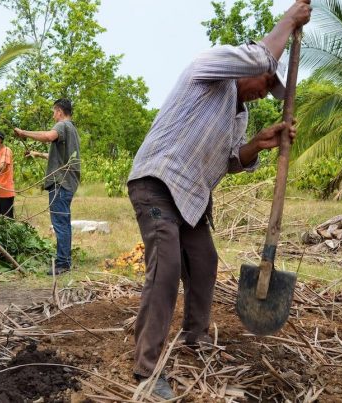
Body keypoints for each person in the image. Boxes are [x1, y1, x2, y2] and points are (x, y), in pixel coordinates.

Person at [127, 1, 312, 399]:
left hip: (190, 198)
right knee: (168, 264)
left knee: (205, 260)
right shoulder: (211, 66)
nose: (267, 92)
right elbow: (263, 52)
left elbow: (230, 161)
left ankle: (194, 339)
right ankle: (146, 368)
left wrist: (258, 144)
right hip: (157, 181)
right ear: (248, 67)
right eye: (267, 81)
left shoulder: (239, 114)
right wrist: (290, 20)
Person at [14, 98, 80, 275]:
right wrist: (36, 153)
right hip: (68, 182)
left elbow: (48, 137)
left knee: (60, 223)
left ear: (59, 111)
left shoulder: (61, 126)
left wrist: (23, 133)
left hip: (60, 181)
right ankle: (64, 260)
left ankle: (62, 263)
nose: (53, 115)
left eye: (53, 112)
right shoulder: (72, 129)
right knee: (63, 222)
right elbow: (57, 155)